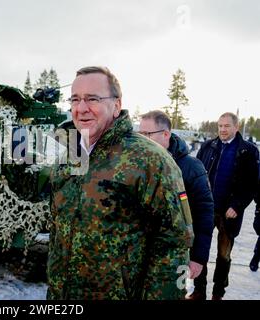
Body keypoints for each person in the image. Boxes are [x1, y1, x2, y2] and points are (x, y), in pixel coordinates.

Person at [47, 66, 194, 300]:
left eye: (92, 98)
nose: (81, 108)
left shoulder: (151, 160)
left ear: (116, 105)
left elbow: (174, 244)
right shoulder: (71, 156)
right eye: (75, 99)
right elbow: (57, 226)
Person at [139, 110, 214, 283]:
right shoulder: (136, 164)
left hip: (174, 257)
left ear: (166, 134)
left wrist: (198, 258)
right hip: (139, 254)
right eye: (139, 134)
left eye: (146, 134)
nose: (141, 140)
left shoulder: (191, 168)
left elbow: (204, 214)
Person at [195, 112, 259, 300]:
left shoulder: (248, 151)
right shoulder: (207, 147)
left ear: (236, 127)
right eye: (220, 126)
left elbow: (252, 185)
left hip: (229, 213)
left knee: (224, 256)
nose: (222, 129)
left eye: (227, 126)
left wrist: (237, 206)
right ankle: (199, 290)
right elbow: (197, 176)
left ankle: (218, 293)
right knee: (200, 251)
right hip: (206, 210)